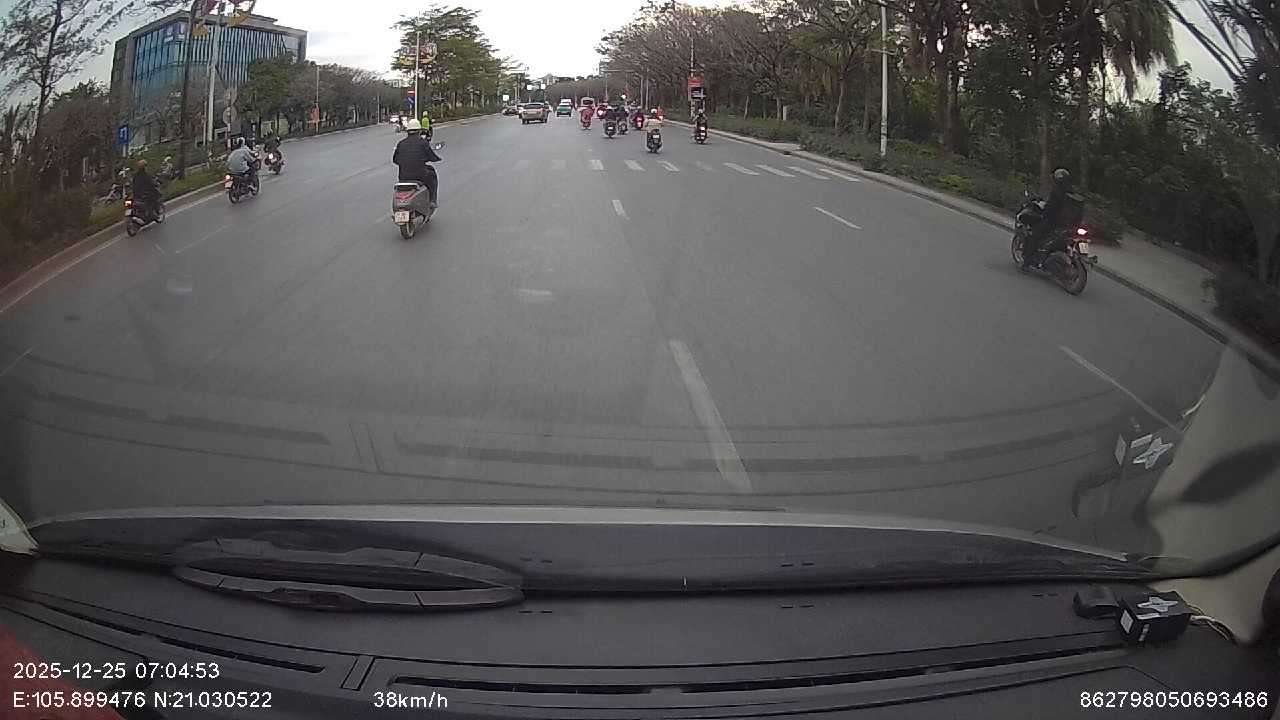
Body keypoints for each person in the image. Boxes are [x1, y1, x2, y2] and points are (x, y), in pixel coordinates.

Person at [1022, 168, 1081, 270]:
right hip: (1068, 223)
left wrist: (1043, 210)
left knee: (1035, 235)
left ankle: (1027, 262)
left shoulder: (1057, 190)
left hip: (1053, 221)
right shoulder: (1071, 191)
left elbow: (1051, 207)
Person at [393, 118, 442, 209]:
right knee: (432, 175)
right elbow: (432, 157)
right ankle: (432, 200)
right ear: (419, 131)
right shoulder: (423, 143)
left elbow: (395, 160)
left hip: (403, 177)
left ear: (407, 131)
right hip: (420, 176)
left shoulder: (400, 144)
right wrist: (437, 159)